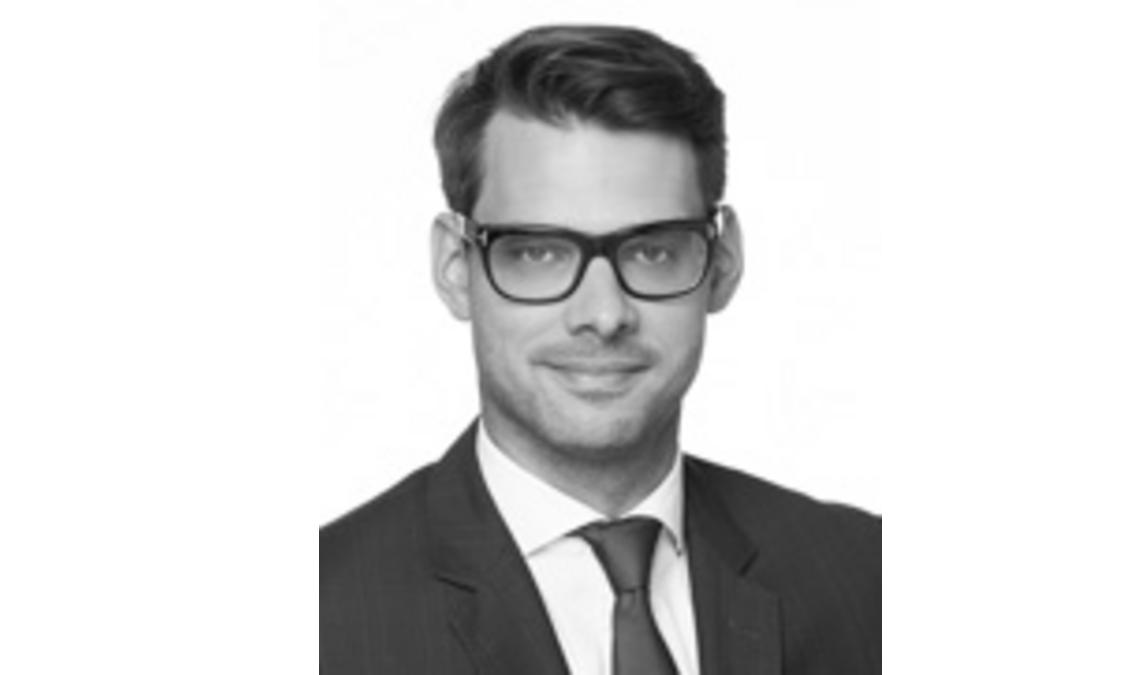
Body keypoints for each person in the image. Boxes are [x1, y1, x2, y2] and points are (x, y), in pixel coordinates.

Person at [321, 24, 880, 675]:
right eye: (538, 253)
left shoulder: (869, 576)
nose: (604, 315)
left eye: (653, 251)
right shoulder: (316, 617)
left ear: (723, 262)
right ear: (454, 268)